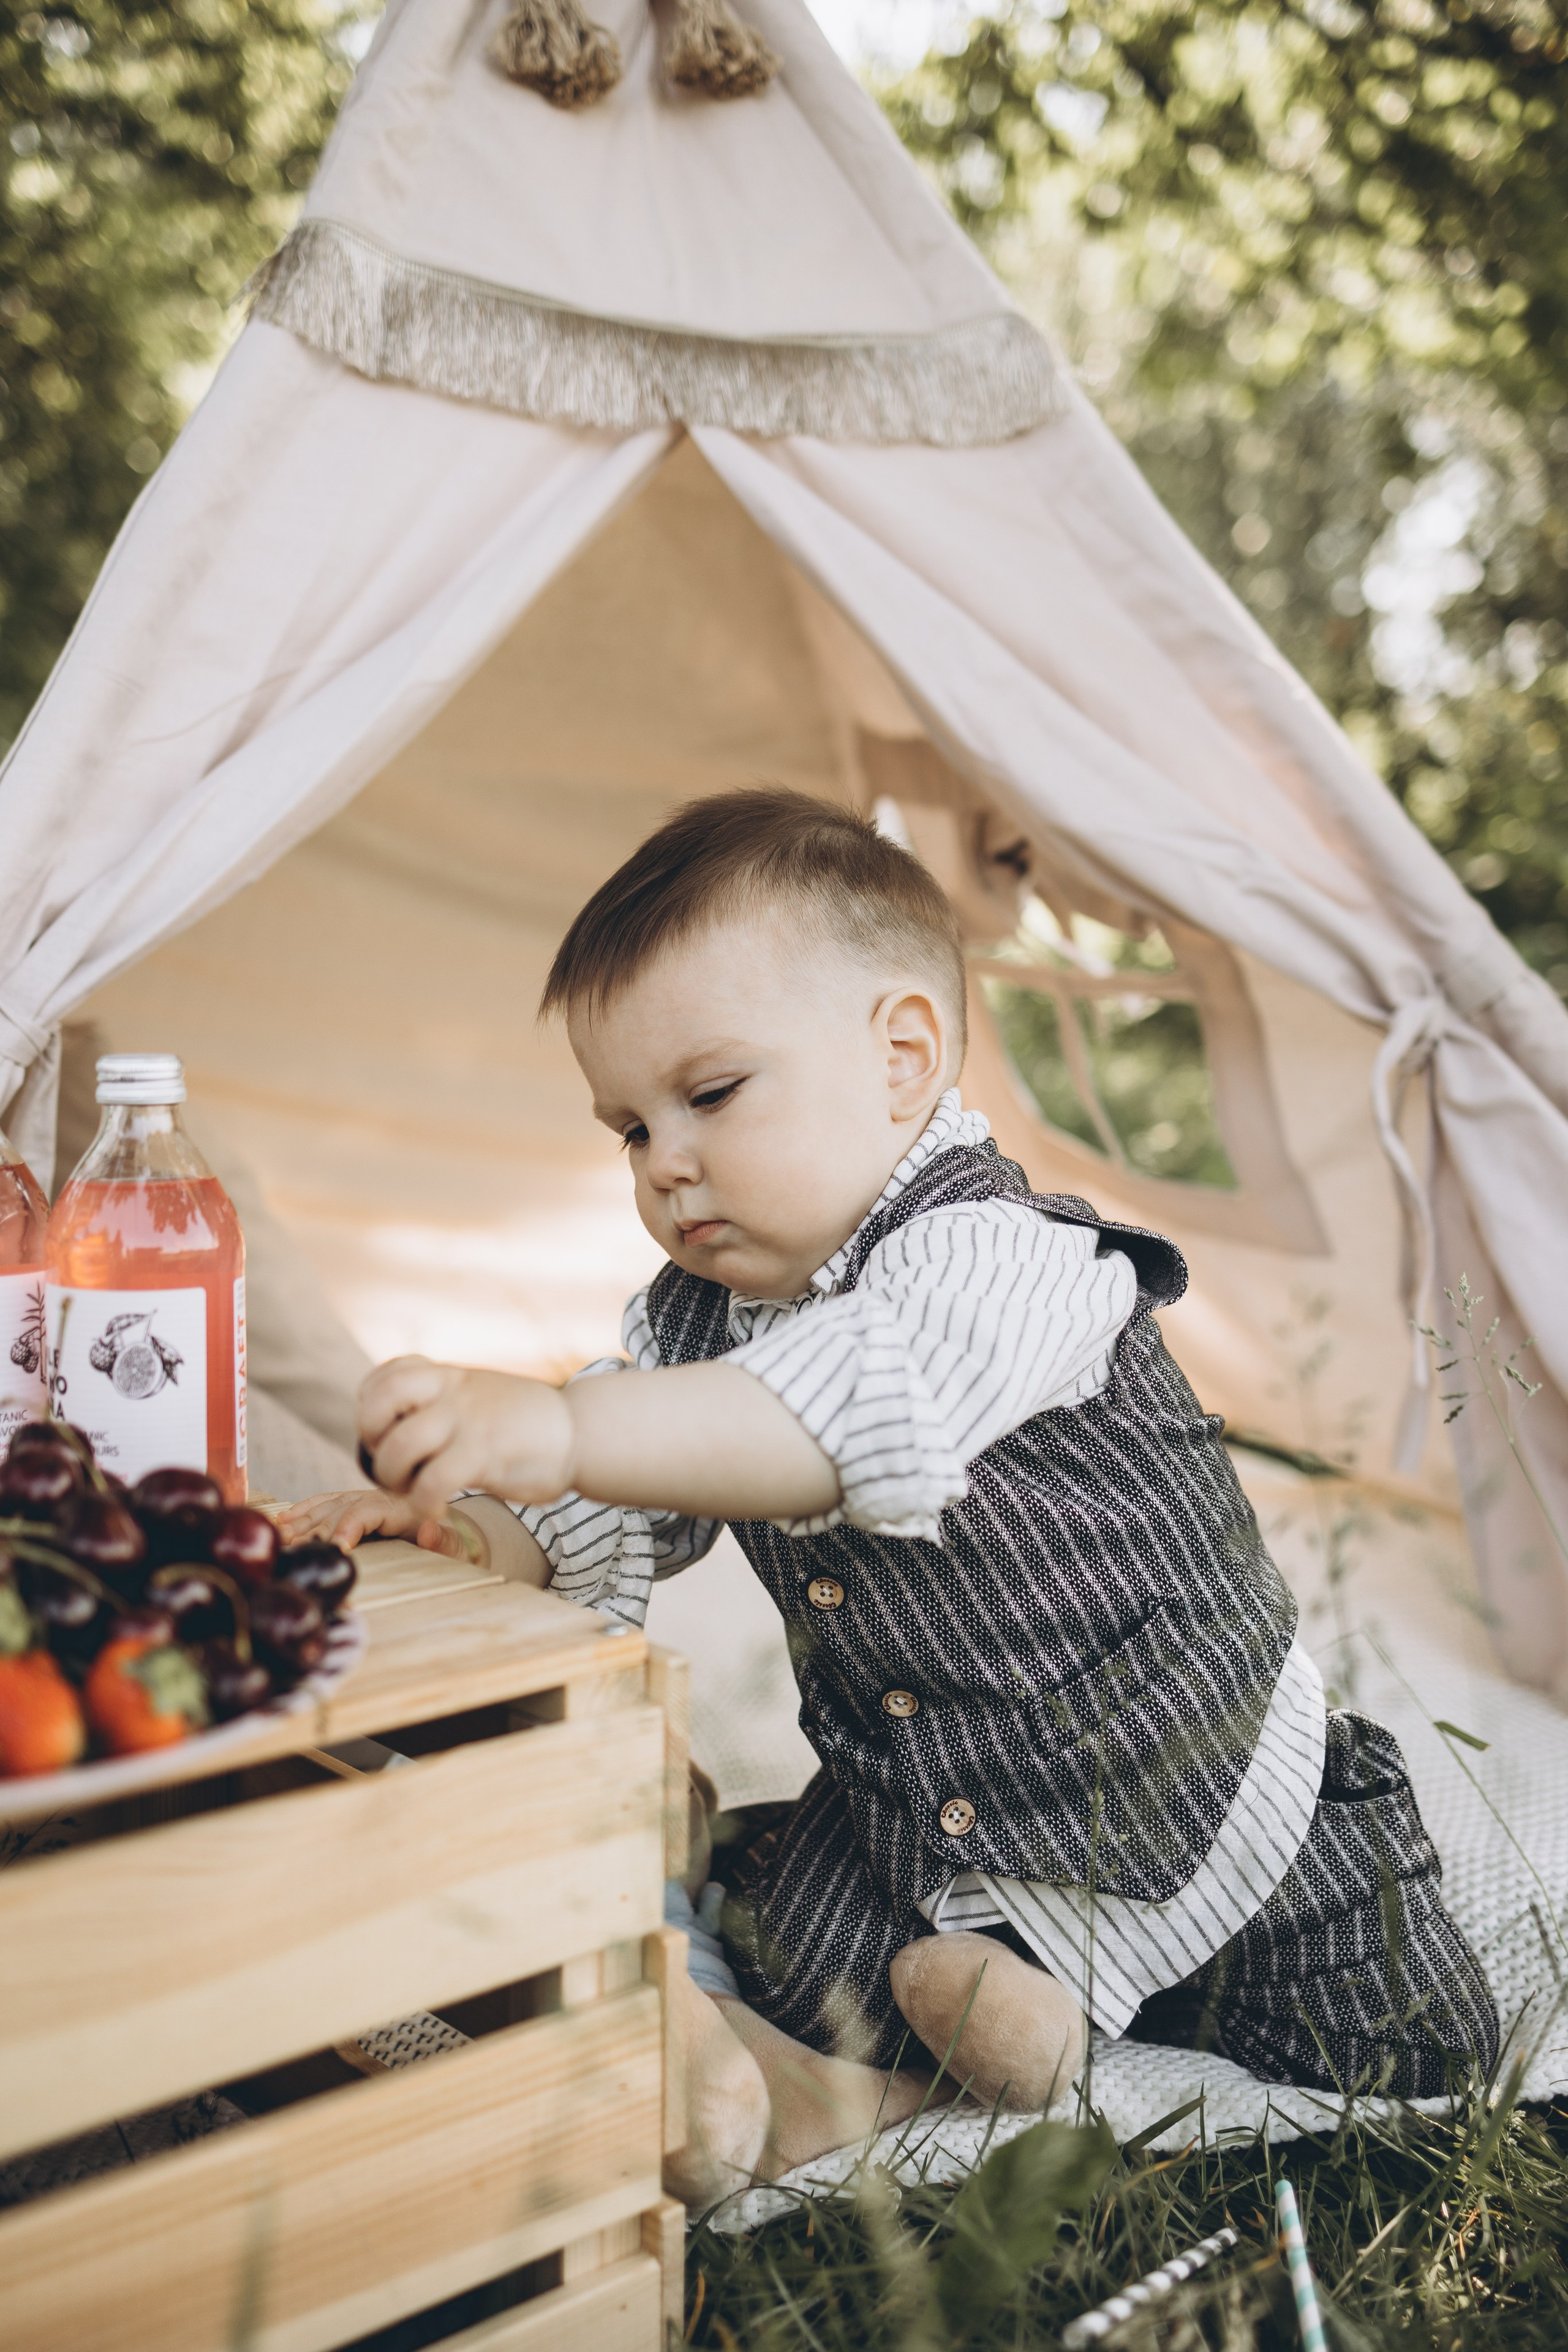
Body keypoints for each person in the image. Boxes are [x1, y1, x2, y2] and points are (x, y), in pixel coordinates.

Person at [283, 786, 1498, 2196]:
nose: (665, 1164)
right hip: (931, 1832)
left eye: (711, 1095)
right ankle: (823, 2054)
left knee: (1417, 2050)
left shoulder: (1003, 1261)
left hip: (1199, 1793)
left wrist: (558, 1424)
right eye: (627, 1130)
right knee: (787, 1930)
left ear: (903, 1056)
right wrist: (474, 1517)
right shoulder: (697, 1327)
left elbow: (827, 1417)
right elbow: (619, 1504)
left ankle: (1049, 2014)